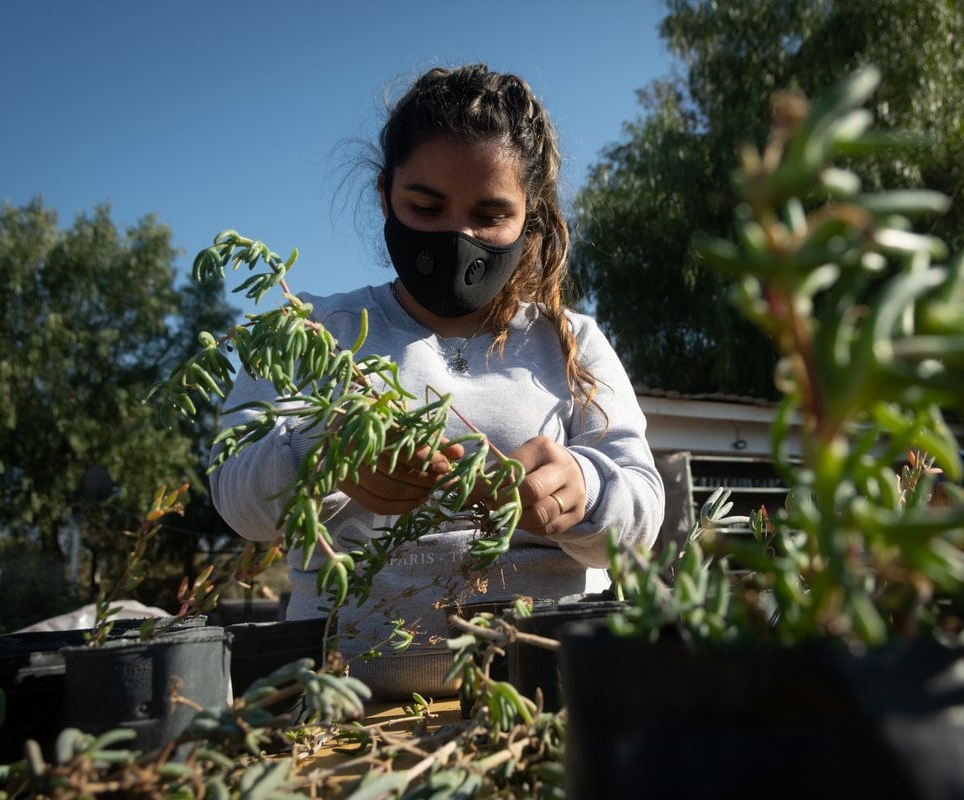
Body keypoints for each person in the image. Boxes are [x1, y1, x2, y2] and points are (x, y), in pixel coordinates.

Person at [210, 63, 663, 699]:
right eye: (425, 206)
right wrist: (331, 455)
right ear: (384, 193)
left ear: (531, 217)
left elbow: (643, 514)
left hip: (543, 697)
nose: (460, 237)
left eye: (491, 214)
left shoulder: (573, 343)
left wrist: (580, 491)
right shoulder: (312, 332)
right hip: (346, 702)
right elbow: (237, 499)